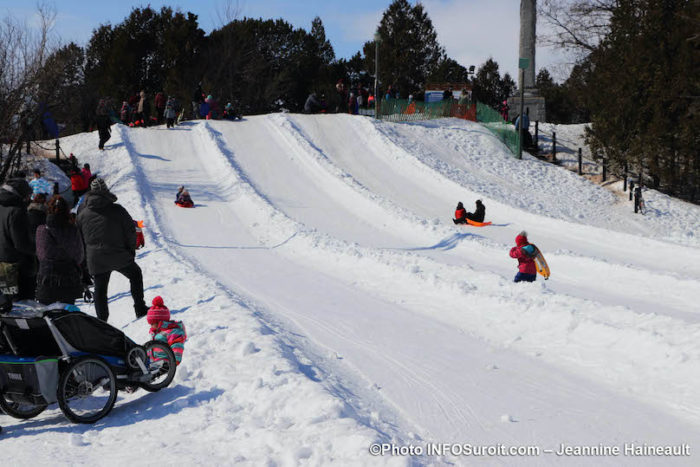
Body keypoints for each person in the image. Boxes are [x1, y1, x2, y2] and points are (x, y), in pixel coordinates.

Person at [77, 178, 148, 321]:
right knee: (135, 275)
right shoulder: (118, 210)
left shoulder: (82, 214)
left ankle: (102, 321)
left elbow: (79, 239)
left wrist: (85, 260)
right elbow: (130, 232)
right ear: (106, 191)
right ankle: (140, 308)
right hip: (118, 255)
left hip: (95, 258)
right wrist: (130, 250)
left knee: (100, 290)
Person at [35, 195, 84, 305]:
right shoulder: (72, 230)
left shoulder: (41, 230)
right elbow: (79, 256)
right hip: (69, 277)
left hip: (47, 278)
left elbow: (41, 255)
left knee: (47, 318)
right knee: (68, 317)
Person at [0, 178, 36, 299]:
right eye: (28, 195)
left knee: (5, 307)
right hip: (17, 268)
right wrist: (36, 250)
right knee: (21, 309)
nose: (29, 199)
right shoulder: (17, 211)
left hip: (3, 263)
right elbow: (21, 243)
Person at [146, 296, 187, 365]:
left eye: (153, 323)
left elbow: (177, 346)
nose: (151, 326)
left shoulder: (172, 332)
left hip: (166, 364)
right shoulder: (156, 332)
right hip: (155, 363)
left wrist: (174, 361)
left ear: (160, 322)